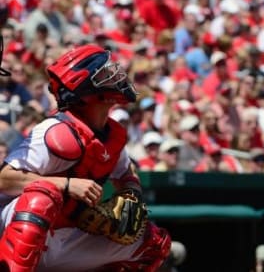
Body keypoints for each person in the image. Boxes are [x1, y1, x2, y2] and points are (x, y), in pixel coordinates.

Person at [0, 44, 171, 271]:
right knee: (43, 197)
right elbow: (4, 179)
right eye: (105, 74)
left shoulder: (112, 133)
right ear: (87, 88)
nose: (115, 75)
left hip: (68, 234)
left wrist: (131, 196)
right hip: (21, 229)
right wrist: (67, 185)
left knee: (154, 242)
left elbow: (126, 173)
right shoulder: (56, 130)